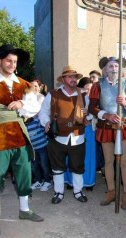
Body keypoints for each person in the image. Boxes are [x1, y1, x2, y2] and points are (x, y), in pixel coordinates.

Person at [0, 44, 43, 222]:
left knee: (24, 172)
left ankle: (25, 209)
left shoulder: (23, 84)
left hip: (19, 134)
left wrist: (22, 104)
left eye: (15, 61)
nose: (12, 64)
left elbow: (35, 107)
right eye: (8, 60)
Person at [88, 56, 126, 210]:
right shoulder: (98, 85)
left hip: (122, 126)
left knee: (124, 161)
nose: (114, 69)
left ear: (121, 69)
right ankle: (111, 191)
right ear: (105, 69)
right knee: (108, 161)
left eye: (117, 66)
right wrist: (105, 114)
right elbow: (92, 106)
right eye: (111, 66)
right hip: (105, 126)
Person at [39, 66, 90, 204]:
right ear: (63, 79)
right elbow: (42, 112)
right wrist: (46, 123)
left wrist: (87, 116)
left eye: (75, 77)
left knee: (78, 166)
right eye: (70, 77)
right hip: (57, 137)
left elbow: (90, 114)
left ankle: (78, 191)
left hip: (78, 137)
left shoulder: (84, 95)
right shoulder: (53, 94)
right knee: (57, 167)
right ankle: (58, 192)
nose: (74, 79)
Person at [64, 76, 96, 190]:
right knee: (72, 155)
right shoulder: (73, 96)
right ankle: (71, 181)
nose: (88, 91)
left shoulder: (93, 98)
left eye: (90, 89)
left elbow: (95, 113)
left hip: (88, 129)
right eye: (86, 88)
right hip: (74, 129)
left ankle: (88, 181)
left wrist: (89, 115)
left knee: (88, 156)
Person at [28, 78, 52, 192]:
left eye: (35, 86)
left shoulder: (42, 98)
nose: (34, 88)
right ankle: (38, 180)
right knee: (34, 164)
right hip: (32, 142)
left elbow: (44, 115)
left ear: (40, 87)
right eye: (31, 86)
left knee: (44, 163)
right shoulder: (27, 99)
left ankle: (47, 181)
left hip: (41, 141)